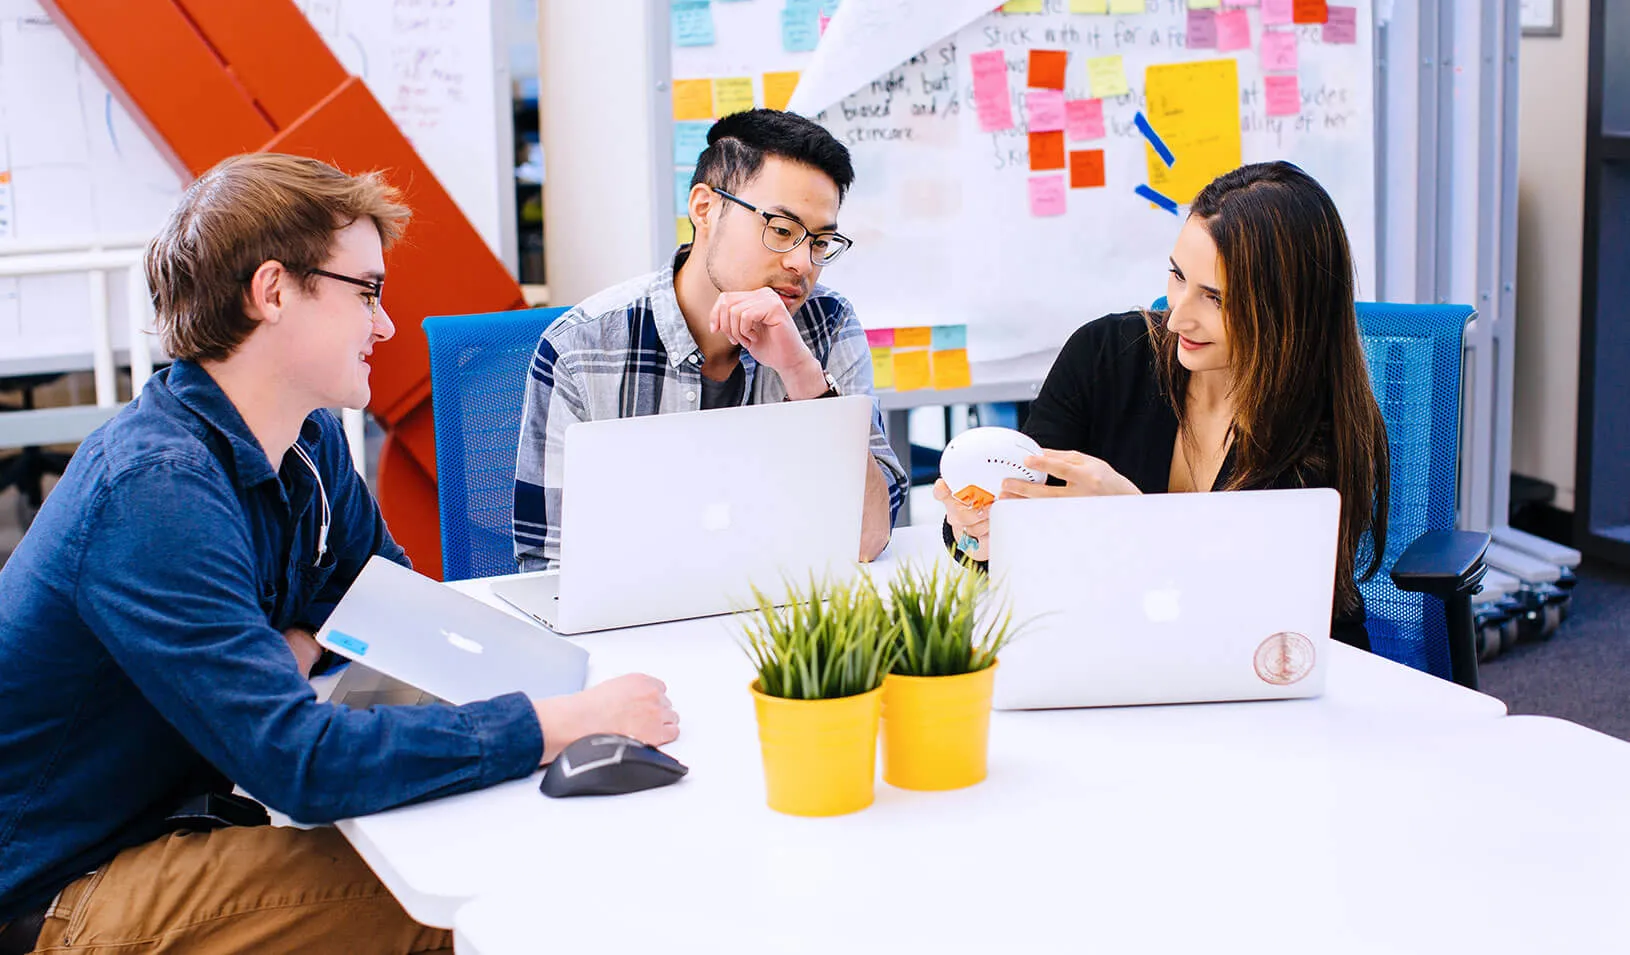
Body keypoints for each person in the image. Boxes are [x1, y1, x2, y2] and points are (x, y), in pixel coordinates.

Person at [0, 153, 679, 954]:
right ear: (274, 290)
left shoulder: (306, 437)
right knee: (480, 909)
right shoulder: (156, 491)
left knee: (511, 834)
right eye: (367, 291)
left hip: (175, 824)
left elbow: (391, 615)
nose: (385, 324)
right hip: (65, 888)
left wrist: (299, 640)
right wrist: (559, 723)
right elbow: (299, 763)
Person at [937, 161, 1389, 649]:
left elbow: (1266, 621)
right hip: (1108, 654)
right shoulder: (1105, 355)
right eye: (1178, 276)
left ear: (1286, 312)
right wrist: (976, 532)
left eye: (1215, 299)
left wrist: (1136, 523)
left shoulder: (1320, 433)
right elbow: (1007, 538)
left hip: (1264, 684)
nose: (1176, 320)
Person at [513, 109, 906, 571]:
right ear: (704, 208)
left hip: (782, 619)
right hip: (641, 630)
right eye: (782, 230)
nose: (802, 263)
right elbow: (548, 567)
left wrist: (802, 374)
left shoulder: (826, 323)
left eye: (819, 243)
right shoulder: (582, 348)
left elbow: (870, 536)